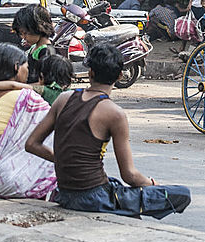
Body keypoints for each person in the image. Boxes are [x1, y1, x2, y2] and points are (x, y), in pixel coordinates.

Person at [26, 43, 191, 219]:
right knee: (182, 194)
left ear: (90, 73)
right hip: (94, 198)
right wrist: (152, 184)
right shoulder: (115, 113)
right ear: (120, 75)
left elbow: (31, 144)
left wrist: (63, 159)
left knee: (114, 183)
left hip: (64, 193)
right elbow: (130, 175)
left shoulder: (64, 98)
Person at [0, 43, 59, 199]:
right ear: (17, 67)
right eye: (26, 66)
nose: (28, 71)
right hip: (8, 181)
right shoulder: (26, 97)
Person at [12, 4, 56, 84]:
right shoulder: (34, 47)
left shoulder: (45, 51)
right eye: (21, 34)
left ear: (38, 28)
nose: (23, 37)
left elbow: (46, 83)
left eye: (25, 33)